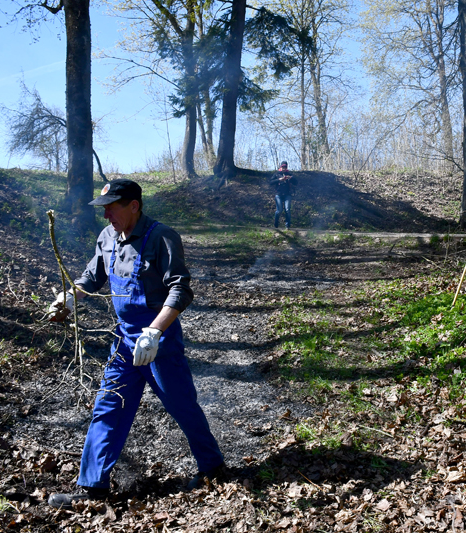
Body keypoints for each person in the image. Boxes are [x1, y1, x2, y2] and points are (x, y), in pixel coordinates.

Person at [46, 179, 225, 508]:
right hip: (122, 340)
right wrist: (69, 297)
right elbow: (91, 278)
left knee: (181, 405)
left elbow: (181, 289)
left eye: (112, 208)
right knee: (108, 406)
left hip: (159, 340)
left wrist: (155, 331)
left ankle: (214, 469)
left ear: (134, 205)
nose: (106, 216)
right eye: (104, 209)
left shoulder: (161, 237)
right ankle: (93, 488)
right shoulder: (107, 239)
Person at [268, 161, 298, 229]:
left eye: (285, 167)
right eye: (283, 167)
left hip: (287, 194)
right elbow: (270, 182)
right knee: (279, 210)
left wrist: (291, 178)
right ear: (280, 167)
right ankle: (276, 222)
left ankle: (287, 225)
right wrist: (279, 179)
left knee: (287, 210)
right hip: (278, 194)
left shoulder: (289, 174)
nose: (284, 168)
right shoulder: (276, 174)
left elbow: (296, 183)